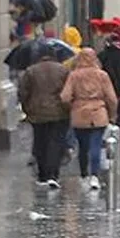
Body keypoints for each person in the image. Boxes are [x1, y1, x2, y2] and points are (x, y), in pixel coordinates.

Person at [60, 49, 118, 191]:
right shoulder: (102, 75)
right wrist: (112, 114)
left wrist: (71, 106)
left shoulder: (74, 75)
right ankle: (94, 175)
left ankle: (84, 174)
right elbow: (112, 98)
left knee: (83, 146)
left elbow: (65, 97)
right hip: (98, 113)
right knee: (96, 144)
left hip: (79, 114)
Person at [18, 47, 71, 188]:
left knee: (40, 142)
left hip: (37, 113)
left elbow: (23, 92)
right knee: (56, 143)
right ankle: (53, 174)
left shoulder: (31, 71)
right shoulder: (63, 70)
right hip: (59, 112)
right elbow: (68, 91)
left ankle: (42, 175)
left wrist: (26, 109)